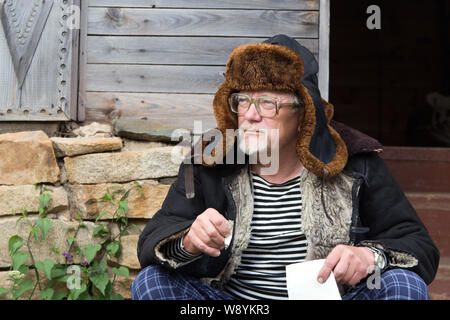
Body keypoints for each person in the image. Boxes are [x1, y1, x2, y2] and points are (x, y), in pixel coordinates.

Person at [131, 34, 439, 300]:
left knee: (404, 284)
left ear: (305, 113)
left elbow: (417, 244)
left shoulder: (355, 163)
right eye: (242, 101)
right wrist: (188, 241)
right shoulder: (211, 161)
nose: (250, 115)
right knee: (152, 283)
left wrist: (369, 256)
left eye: (267, 103)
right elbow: (153, 238)